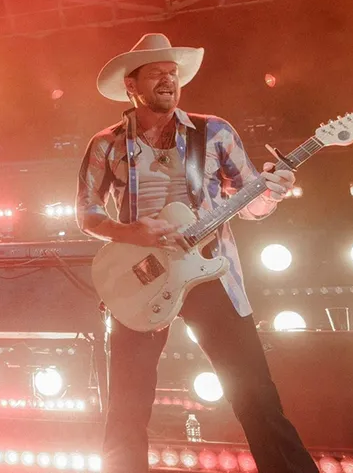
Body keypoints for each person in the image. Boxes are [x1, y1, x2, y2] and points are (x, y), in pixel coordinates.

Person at [76, 34, 318, 473]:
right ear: (131, 85)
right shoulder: (106, 143)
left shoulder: (215, 132)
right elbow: (87, 214)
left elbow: (253, 204)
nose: (169, 80)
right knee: (127, 407)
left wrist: (273, 192)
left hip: (211, 276)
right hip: (141, 277)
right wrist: (130, 232)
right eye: (156, 74)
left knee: (256, 397)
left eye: (173, 73)